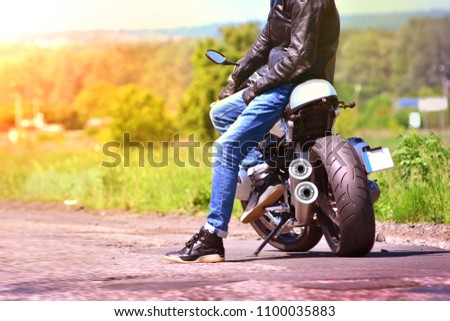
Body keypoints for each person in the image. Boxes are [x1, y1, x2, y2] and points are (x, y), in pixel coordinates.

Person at [164, 0, 340, 263]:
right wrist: (236, 78)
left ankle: (212, 237)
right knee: (220, 112)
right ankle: (262, 173)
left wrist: (256, 88)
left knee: (226, 148)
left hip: (290, 84)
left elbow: (299, 58)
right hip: (283, 79)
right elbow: (268, 37)